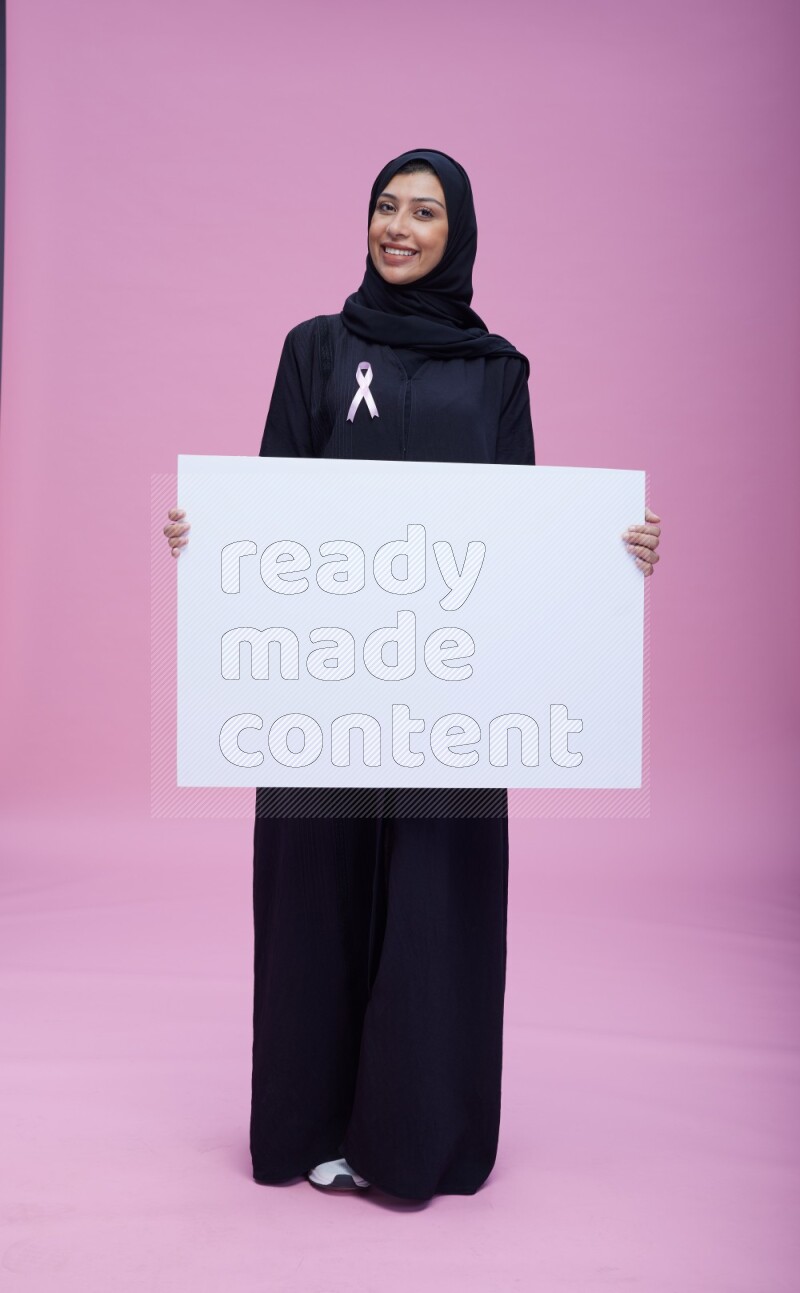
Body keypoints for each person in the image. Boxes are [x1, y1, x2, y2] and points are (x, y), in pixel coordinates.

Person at [164, 147, 662, 1201]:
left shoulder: (497, 374)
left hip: (452, 689)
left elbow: (524, 533)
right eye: (383, 207)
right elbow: (274, 503)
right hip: (325, 678)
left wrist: (613, 551)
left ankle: (409, 1145)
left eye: (422, 212)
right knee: (317, 895)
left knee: (435, 901)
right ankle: (308, 1127)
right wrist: (211, 545)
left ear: (457, 233)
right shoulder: (313, 349)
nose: (397, 226)